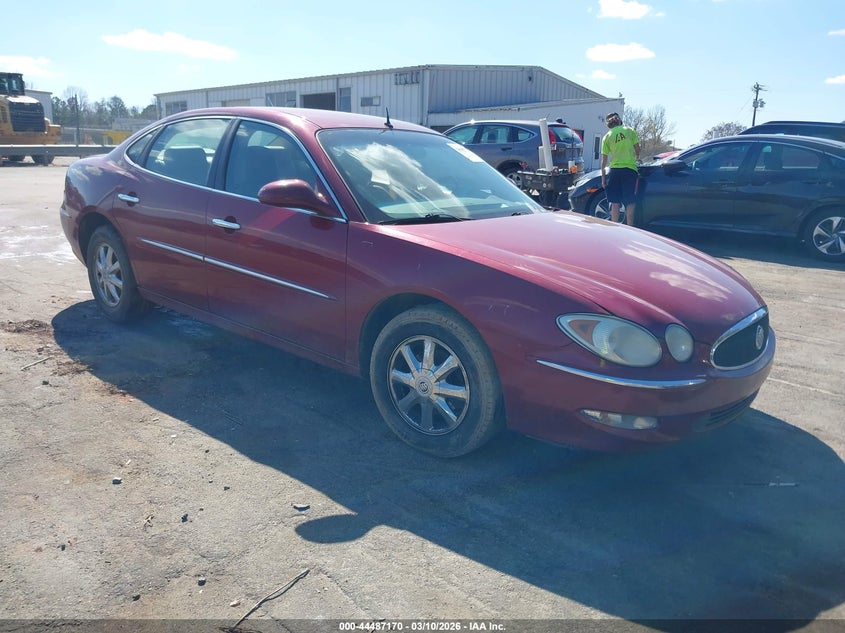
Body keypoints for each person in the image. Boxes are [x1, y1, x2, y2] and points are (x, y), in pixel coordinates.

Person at [600, 112, 640, 225]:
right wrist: (637, 157)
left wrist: (603, 178)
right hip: (629, 170)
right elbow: (637, 148)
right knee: (630, 201)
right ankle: (630, 226)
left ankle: (614, 227)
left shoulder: (606, 137)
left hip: (614, 171)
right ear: (619, 121)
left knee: (615, 202)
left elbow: (603, 161)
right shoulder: (630, 130)